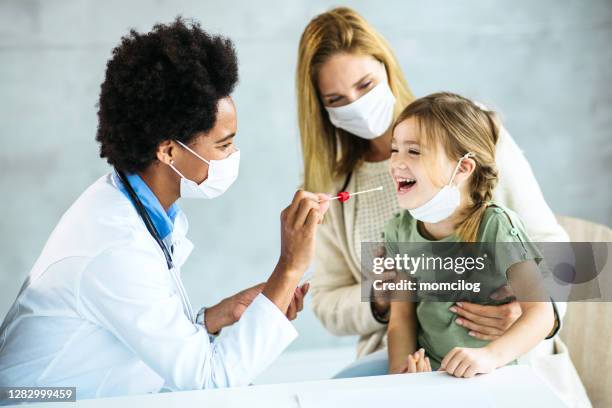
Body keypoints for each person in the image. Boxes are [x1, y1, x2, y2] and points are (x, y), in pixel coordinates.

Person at [0, 18, 329, 398]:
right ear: (169, 150)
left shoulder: (132, 203)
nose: (234, 156)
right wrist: (290, 266)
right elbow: (208, 381)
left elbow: (141, 332)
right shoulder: (116, 244)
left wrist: (213, 318)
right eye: (223, 145)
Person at [296, 6, 566, 362]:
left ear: (388, 69)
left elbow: (551, 243)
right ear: (321, 108)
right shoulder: (344, 195)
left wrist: (529, 316)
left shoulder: (470, 129)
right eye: (336, 100)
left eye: (365, 85)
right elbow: (329, 301)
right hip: (410, 359)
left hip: (501, 350)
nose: (358, 106)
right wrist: (381, 297)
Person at [384, 92, 553, 377]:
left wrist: (489, 357)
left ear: (462, 167)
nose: (396, 162)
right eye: (394, 149)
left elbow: (541, 315)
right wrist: (401, 371)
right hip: (432, 379)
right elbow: (401, 319)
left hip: (495, 376)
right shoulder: (398, 230)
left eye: (413, 151)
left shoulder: (497, 227)